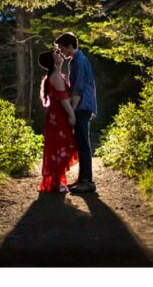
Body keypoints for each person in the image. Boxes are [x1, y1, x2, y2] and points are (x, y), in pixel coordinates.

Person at [55, 32, 97, 193]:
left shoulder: (78, 61)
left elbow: (78, 90)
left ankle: (87, 181)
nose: (61, 52)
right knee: (81, 142)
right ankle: (83, 179)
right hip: (85, 105)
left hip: (82, 106)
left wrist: (72, 111)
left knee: (83, 143)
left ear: (70, 46)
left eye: (62, 48)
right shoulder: (79, 59)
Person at [37, 49, 77, 193]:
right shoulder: (55, 76)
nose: (60, 55)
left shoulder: (54, 75)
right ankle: (57, 181)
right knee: (63, 146)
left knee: (59, 147)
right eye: (56, 54)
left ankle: (57, 180)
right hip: (58, 116)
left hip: (56, 116)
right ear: (52, 60)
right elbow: (63, 99)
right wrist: (72, 115)